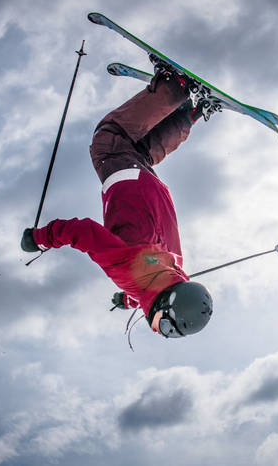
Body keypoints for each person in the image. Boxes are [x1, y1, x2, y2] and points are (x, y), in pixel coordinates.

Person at [20, 67, 213, 338]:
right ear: (168, 305)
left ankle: (192, 114)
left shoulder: (173, 270)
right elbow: (83, 232)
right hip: (128, 187)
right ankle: (175, 88)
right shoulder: (128, 274)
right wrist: (41, 238)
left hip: (151, 192)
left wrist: (128, 301)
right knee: (108, 139)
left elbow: (147, 284)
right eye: (164, 325)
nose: (156, 327)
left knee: (141, 151)